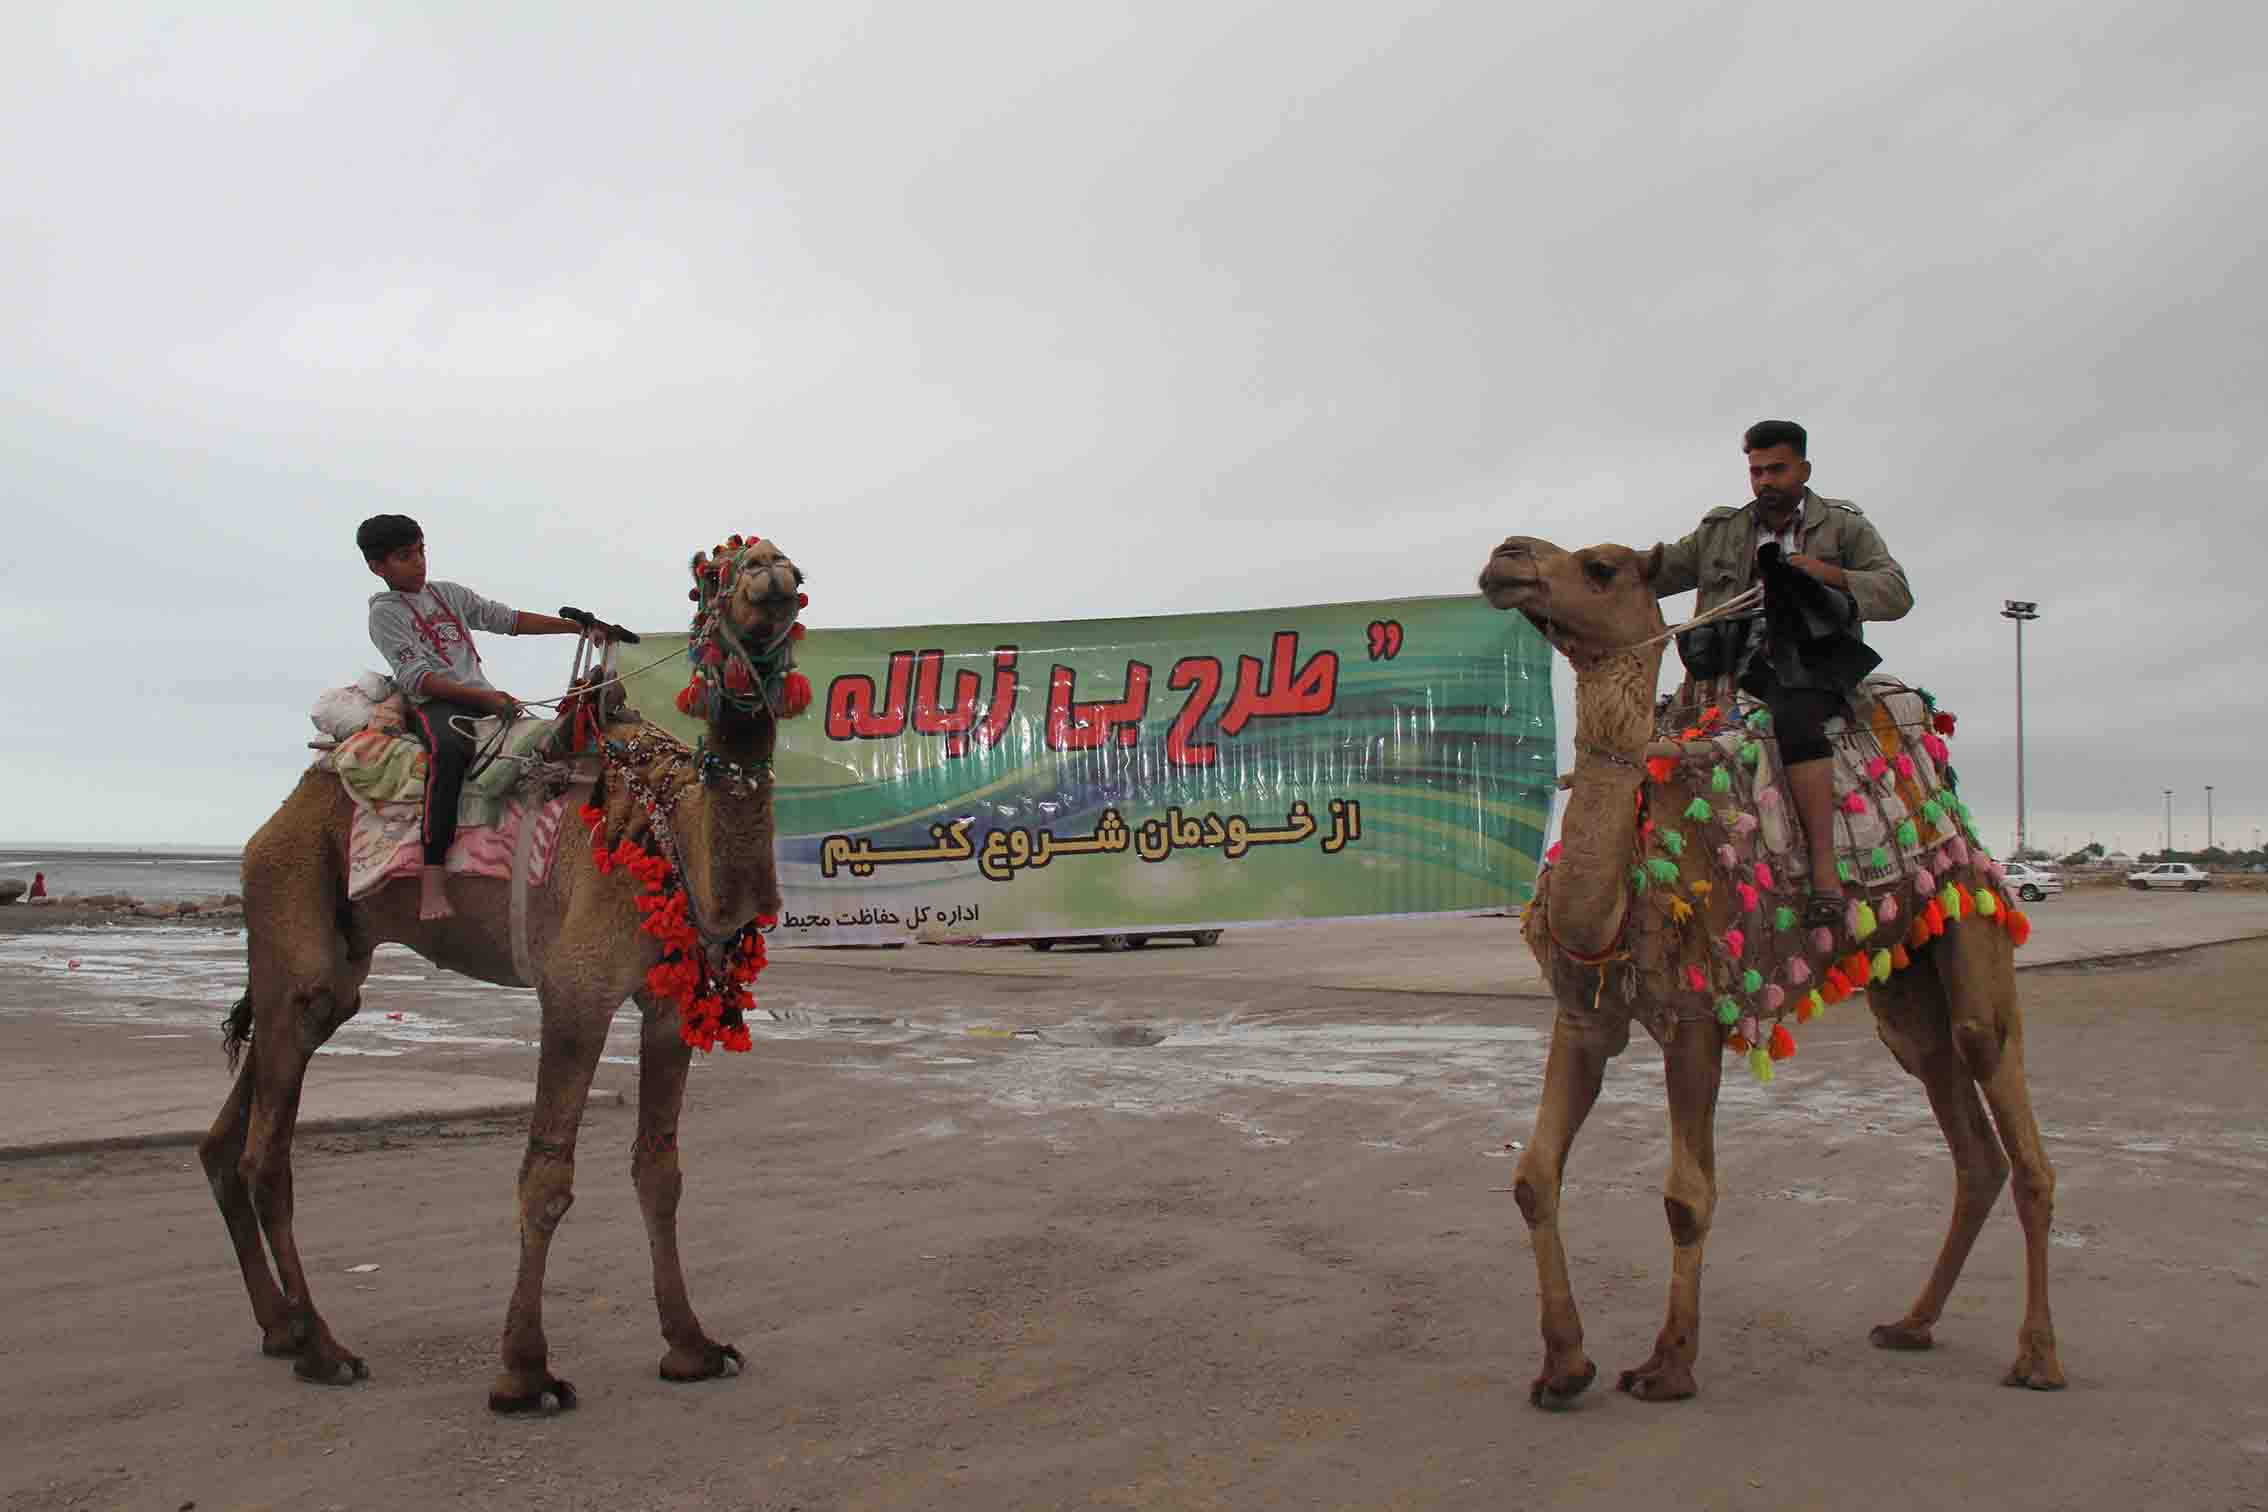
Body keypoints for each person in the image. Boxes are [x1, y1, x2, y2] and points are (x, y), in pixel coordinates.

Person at [1651, 421, 1913, 926]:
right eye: (1756, 471)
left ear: (1804, 469)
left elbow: (1897, 593)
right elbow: (1655, 571)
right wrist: (1587, 573)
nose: (1765, 480)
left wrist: (1829, 575)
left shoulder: (1842, 527)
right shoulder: (1722, 532)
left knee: (1795, 718)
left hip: (1811, 670)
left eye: (1777, 469)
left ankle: (1824, 876)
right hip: (1729, 672)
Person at [358, 514, 599, 921]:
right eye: (404, 556)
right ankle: (432, 881)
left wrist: (578, 628)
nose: (418, 562)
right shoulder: (385, 614)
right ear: (377, 567)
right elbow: (418, 677)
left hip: (480, 699)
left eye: (420, 551)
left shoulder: (447, 595)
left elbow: (506, 620)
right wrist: (484, 698)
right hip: (435, 705)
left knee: (551, 743)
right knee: (449, 755)